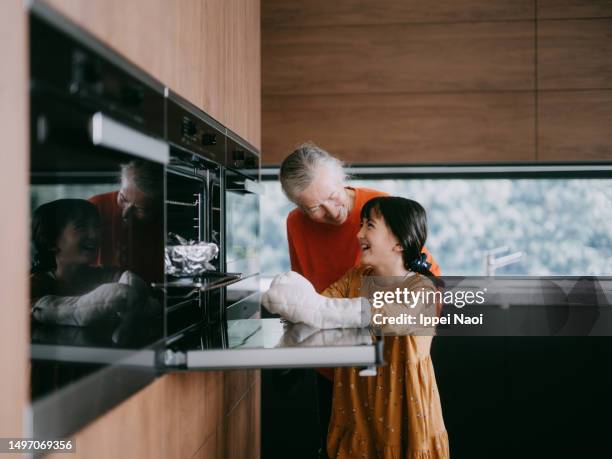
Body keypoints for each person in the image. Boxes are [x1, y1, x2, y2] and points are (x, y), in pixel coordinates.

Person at [279, 142, 441, 453]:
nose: (331, 211)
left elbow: (423, 277)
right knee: (347, 443)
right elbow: (303, 289)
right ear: (300, 208)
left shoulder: (379, 207)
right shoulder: (295, 225)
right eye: (314, 208)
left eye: (332, 196)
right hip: (333, 361)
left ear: (342, 178)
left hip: (391, 358)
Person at [30, 199, 154, 327]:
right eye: (81, 227)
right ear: (51, 242)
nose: (95, 235)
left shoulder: (106, 275)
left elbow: (135, 288)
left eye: (97, 226)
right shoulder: (36, 283)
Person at [89, 159, 164, 284]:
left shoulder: (160, 225)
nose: (126, 212)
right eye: (123, 198)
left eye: (140, 209)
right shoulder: (95, 207)